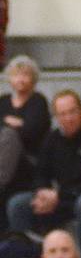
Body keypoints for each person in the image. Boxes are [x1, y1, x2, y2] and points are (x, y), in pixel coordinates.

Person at [6, 90, 81, 258]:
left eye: (72, 112)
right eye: (62, 114)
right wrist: (42, 192)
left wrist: (60, 195)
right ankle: (32, 253)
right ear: (56, 117)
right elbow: (40, 173)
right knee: (18, 204)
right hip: (59, 200)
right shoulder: (52, 139)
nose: (68, 118)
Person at [0, 56, 50, 231]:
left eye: (25, 75)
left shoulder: (38, 101)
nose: (20, 79)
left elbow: (34, 131)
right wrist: (20, 123)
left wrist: (10, 126)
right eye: (16, 75)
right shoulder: (3, 100)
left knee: (8, 136)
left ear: (33, 79)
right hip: (4, 159)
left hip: (29, 161)